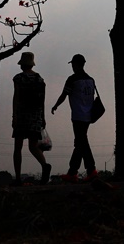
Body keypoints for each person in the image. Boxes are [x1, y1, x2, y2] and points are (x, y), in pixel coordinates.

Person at [50, 54, 98, 183]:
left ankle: (91, 169)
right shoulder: (91, 80)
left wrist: (55, 106)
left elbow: (64, 95)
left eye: (72, 64)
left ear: (76, 64)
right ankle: (72, 172)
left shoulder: (72, 79)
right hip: (89, 116)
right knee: (80, 142)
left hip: (78, 116)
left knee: (82, 142)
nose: (72, 66)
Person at [11, 51, 50, 185]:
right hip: (36, 116)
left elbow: (16, 97)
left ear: (22, 64)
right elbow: (42, 101)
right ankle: (45, 165)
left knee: (18, 147)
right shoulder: (40, 80)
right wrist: (43, 117)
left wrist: (14, 116)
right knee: (33, 147)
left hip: (22, 116)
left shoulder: (18, 78)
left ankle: (17, 178)